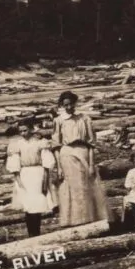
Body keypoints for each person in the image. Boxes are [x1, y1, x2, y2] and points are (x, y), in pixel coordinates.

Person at [52, 91, 109, 227]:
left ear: (75, 103)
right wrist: (59, 167)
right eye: (65, 105)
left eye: (71, 104)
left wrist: (91, 164)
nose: (69, 107)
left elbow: (91, 143)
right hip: (67, 155)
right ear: (62, 105)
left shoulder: (84, 119)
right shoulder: (58, 121)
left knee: (86, 186)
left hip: (83, 152)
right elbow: (56, 146)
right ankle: (74, 219)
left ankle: (89, 217)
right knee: (71, 187)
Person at [5, 117, 57, 237]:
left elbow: (47, 161)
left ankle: (36, 231)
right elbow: (14, 163)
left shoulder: (39, 142)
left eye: (25, 130)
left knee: (37, 204)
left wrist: (45, 178)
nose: (23, 133)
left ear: (31, 129)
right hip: (24, 174)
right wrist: (18, 179)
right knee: (27, 204)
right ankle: (31, 233)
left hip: (38, 174)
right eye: (21, 131)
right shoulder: (17, 144)